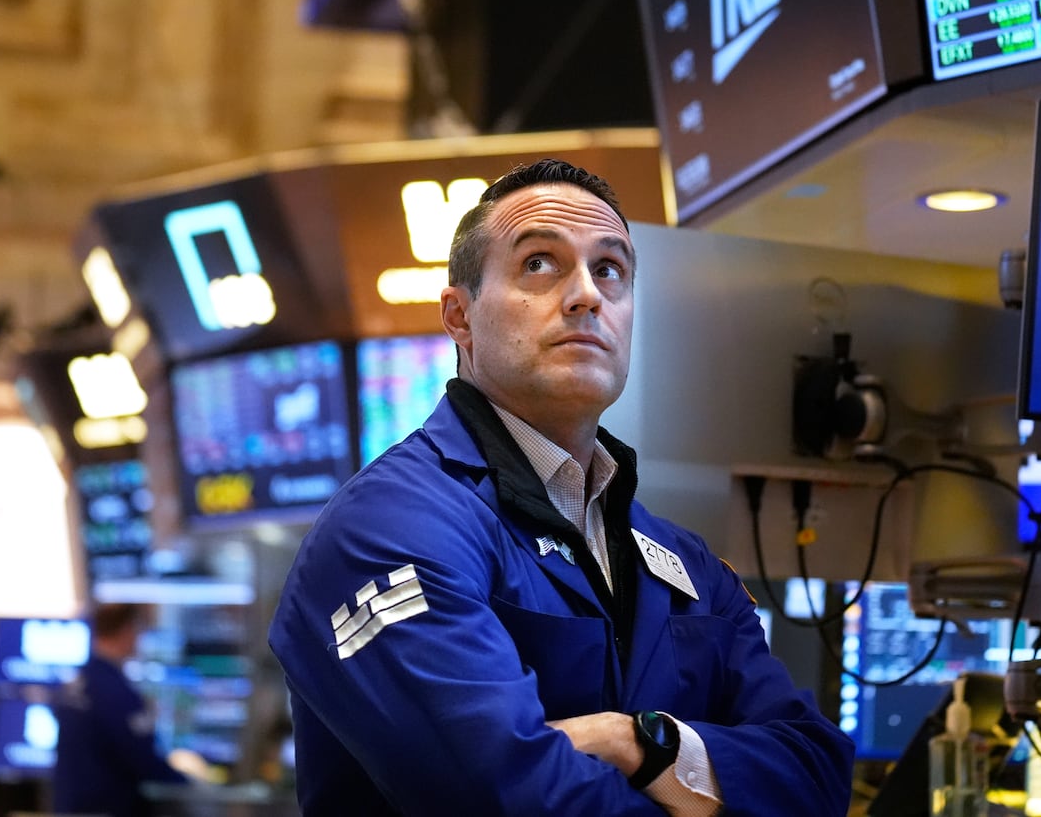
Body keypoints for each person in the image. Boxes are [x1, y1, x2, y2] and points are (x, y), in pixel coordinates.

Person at [269, 159, 853, 815]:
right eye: (540, 264)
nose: (586, 295)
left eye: (610, 270)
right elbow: (504, 799)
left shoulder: (684, 561)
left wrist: (641, 742)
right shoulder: (386, 529)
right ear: (459, 316)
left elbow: (820, 773)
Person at [52, 604, 188, 817]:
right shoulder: (115, 691)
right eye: (139, 632)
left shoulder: (76, 682)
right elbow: (141, 755)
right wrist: (186, 782)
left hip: (72, 805)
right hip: (106, 806)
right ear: (127, 631)